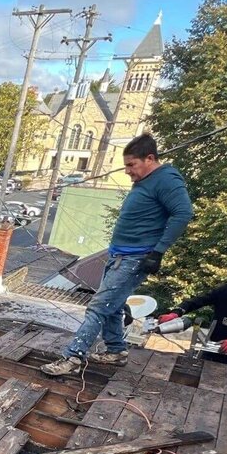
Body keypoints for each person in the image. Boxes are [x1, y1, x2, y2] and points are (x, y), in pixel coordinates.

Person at [43, 134, 192, 376]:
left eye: (132, 165)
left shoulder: (166, 179)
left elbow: (183, 214)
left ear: (150, 158)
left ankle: (72, 357)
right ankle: (115, 350)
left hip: (136, 258)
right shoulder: (147, 179)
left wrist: (158, 252)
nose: (127, 171)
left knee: (98, 306)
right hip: (120, 255)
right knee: (112, 306)